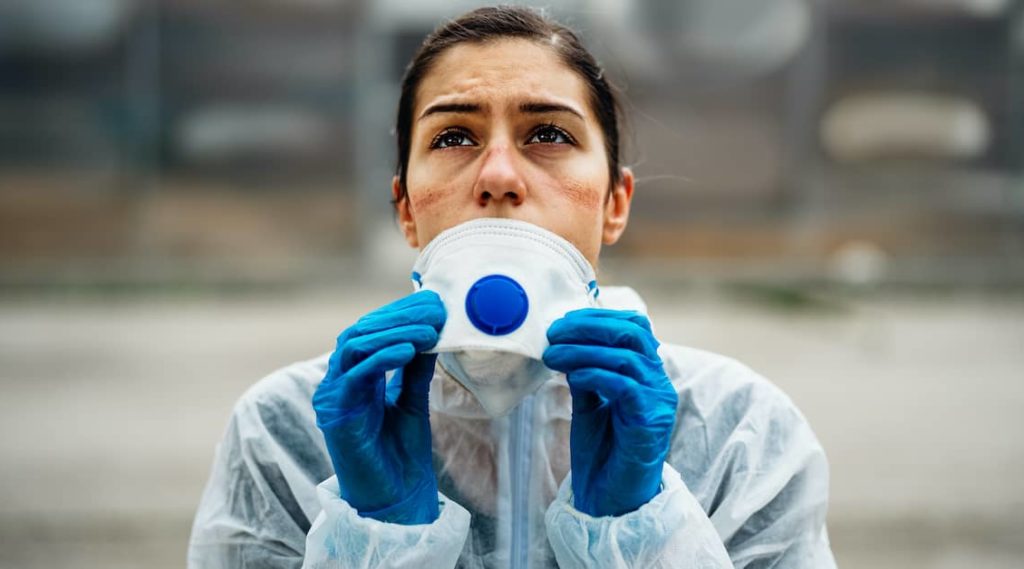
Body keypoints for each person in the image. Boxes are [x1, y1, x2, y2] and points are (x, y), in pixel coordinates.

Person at [188, 6, 836, 568]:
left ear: (615, 202)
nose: (499, 174)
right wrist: (378, 532)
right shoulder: (285, 434)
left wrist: (642, 529)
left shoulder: (739, 434)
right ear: (405, 208)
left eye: (549, 134)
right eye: (453, 136)